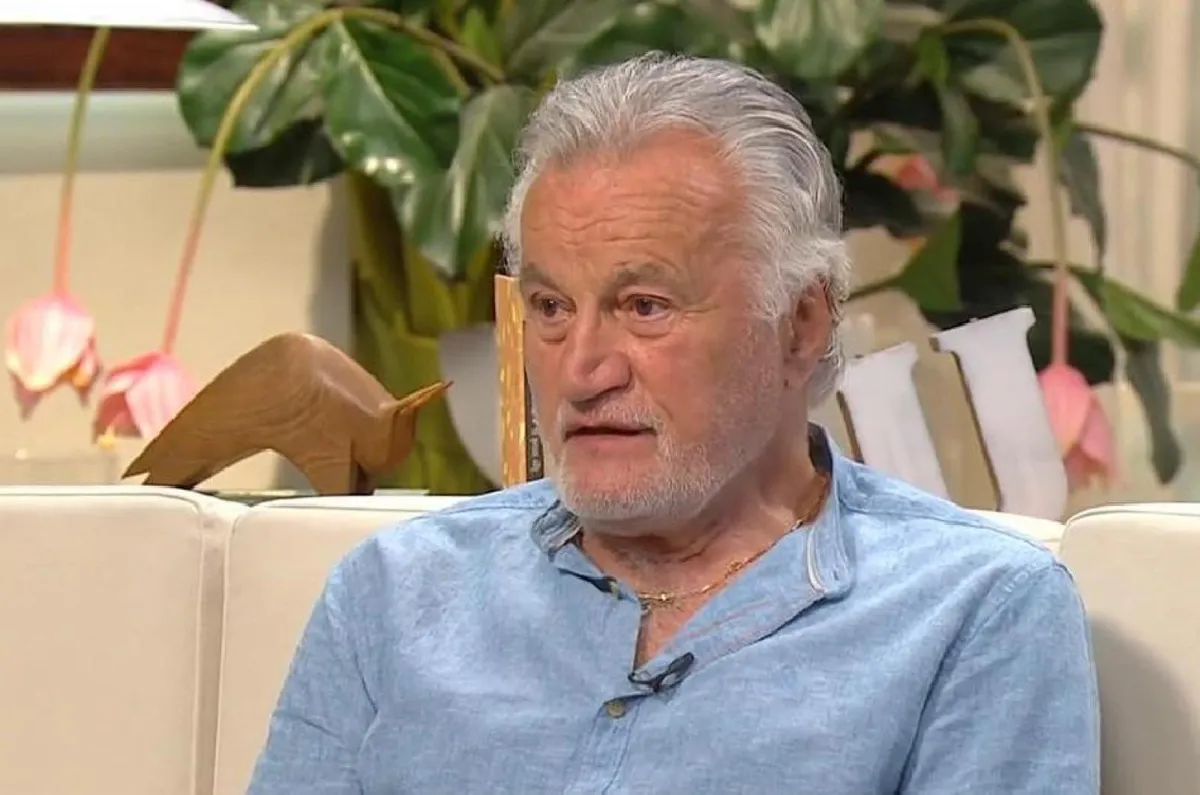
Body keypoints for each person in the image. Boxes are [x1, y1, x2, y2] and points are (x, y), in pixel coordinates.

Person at [248, 53, 1100, 794]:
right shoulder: (394, 592)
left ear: (800, 324)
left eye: (644, 305)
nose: (582, 370)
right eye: (551, 307)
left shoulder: (974, 612)